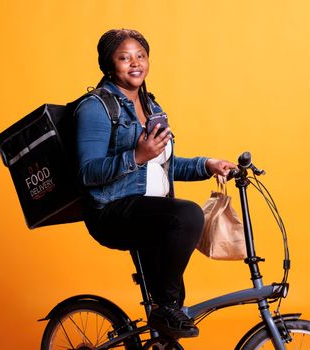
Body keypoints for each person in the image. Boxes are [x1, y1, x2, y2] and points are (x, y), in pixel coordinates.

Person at [75, 28, 236, 338]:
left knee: (172, 321)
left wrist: (207, 165)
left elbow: (164, 166)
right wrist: (135, 156)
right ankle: (165, 305)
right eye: (124, 57)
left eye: (141, 56)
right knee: (188, 215)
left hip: (152, 215)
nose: (135, 63)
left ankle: (164, 313)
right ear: (109, 65)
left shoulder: (152, 106)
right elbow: (87, 172)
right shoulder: (95, 107)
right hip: (112, 213)